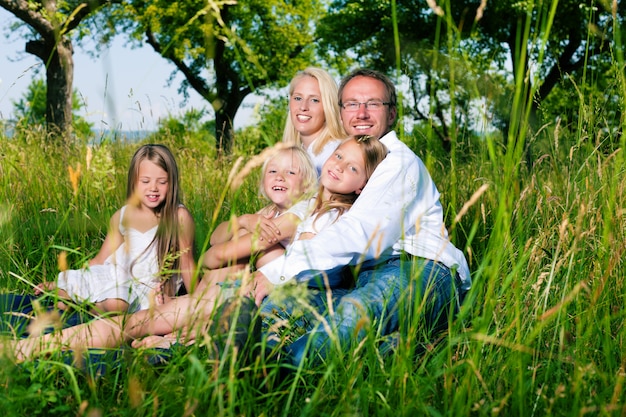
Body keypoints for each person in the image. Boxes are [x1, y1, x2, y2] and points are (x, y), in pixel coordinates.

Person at [0, 134, 388, 360]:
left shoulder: (332, 218)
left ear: (362, 185)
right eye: (337, 155)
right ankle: (36, 348)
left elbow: (271, 257)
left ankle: (29, 351)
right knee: (139, 325)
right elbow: (217, 253)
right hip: (229, 292)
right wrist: (247, 229)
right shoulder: (304, 208)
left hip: (244, 298)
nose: (338, 165)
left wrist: (253, 250)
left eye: (352, 167)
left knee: (136, 324)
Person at [250, 68, 472, 367]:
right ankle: (397, 349)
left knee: (355, 311)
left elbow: (360, 233)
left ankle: (277, 369)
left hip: (419, 269)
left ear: (391, 113)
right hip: (364, 277)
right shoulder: (349, 163)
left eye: (373, 104)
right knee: (282, 304)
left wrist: (279, 271)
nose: (362, 112)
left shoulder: (398, 161)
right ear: (340, 113)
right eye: (352, 104)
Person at [34, 144, 197, 315]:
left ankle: (83, 307)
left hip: (145, 290)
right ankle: (71, 298)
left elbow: (187, 264)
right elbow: (99, 260)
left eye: (162, 182)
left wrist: (198, 299)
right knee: (72, 284)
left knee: (117, 303)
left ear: (172, 183)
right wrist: (67, 281)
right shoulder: (122, 215)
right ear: (134, 182)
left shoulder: (178, 216)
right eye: (145, 181)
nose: (153, 188)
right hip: (114, 276)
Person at [283, 67, 346, 174]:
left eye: (314, 100)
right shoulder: (293, 153)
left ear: (328, 107)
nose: (303, 107)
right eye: (298, 98)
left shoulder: (335, 154)